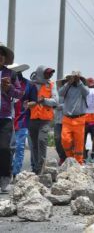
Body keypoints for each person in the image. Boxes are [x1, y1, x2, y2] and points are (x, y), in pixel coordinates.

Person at [0, 43, 24, 192]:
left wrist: (8, 88)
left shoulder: (11, 74)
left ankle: (5, 177)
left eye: (2, 54)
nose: (0, 56)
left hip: (5, 117)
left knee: (4, 147)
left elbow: (19, 94)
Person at [7, 63, 37, 177]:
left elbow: (34, 101)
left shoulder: (30, 85)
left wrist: (28, 104)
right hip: (7, 119)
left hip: (22, 120)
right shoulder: (5, 83)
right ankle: (7, 169)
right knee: (7, 148)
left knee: (19, 147)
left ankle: (15, 173)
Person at [29, 65, 57, 175]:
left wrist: (44, 100)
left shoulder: (51, 85)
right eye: (47, 73)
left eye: (50, 73)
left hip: (45, 120)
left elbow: (55, 101)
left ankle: (41, 167)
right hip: (32, 119)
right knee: (34, 145)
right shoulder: (31, 84)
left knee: (42, 141)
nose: (49, 75)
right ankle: (36, 167)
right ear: (40, 73)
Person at [58, 71, 89, 165]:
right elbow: (60, 93)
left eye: (76, 78)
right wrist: (68, 82)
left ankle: (79, 162)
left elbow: (87, 92)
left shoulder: (83, 88)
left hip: (79, 119)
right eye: (73, 78)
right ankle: (70, 158)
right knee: (65, 140)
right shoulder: (67, 87)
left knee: (79, 142)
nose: (74, 79)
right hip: (67, 118)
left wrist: (79, 82)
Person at [84, 78, 94, 162]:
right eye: (91, 85)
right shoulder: (83, 94)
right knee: (83, 139)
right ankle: (84, 154)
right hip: (84, 121)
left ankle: (93, 152)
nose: (93, 86)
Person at [54, 77, 67, 166]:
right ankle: (62, 157)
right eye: (64, 82)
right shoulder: (57, 93)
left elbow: (71, 104)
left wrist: (60, 106)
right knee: (57, 139)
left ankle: (67, 157)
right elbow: (54, 102)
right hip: (58, 121)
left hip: (68, 120)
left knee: (67, 140)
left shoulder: (71, 93)